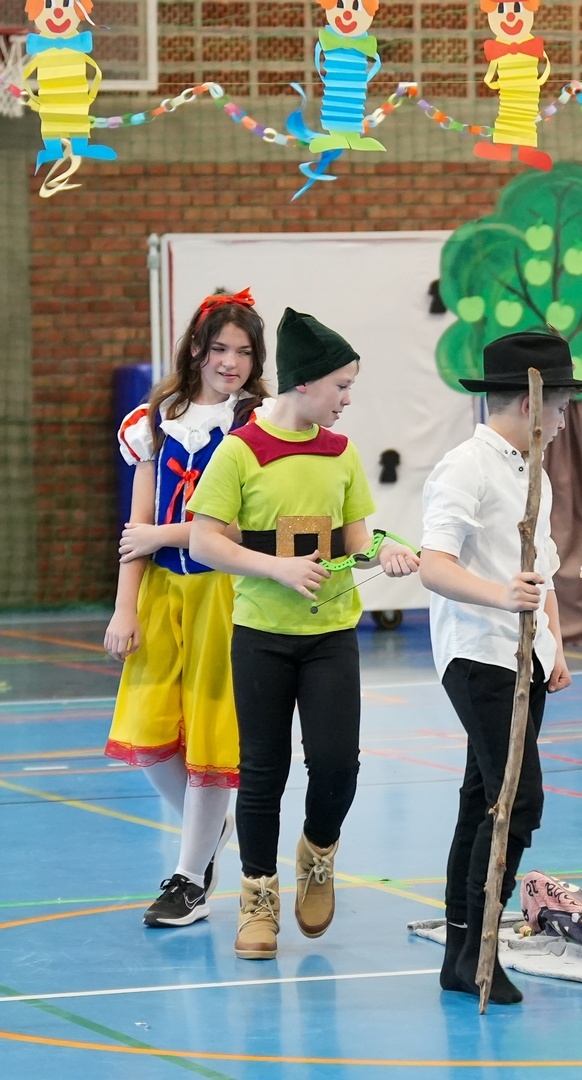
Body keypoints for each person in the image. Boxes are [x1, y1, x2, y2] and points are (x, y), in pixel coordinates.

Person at [188, 308, 419, 961]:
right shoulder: (241, 452)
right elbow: (205, 542)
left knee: (338, 765)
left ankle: (318, 851)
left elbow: (355, 540)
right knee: (263, 771)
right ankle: (258, 897)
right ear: (305, 382)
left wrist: (385, 549)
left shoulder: (341, 454)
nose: (347, 400)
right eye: (341, 386)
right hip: (261, 635)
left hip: (331, 637)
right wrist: (277, 568)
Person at [419, 331, 582, 1005]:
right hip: (479, 654)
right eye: (562, 406)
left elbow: (540, 570)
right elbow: (434, 566)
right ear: (530, 403)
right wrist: (501, 597)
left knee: (481, 798)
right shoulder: (465, 467)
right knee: (518, 799)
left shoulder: (531, 470)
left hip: (524, 656)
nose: (566, 419)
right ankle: (481, 946)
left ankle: (463, 952)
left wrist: (556, 645)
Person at [103, 289, 269, 929]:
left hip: (224, 592)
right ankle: (210, 828)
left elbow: (243, 528)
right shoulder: (153, 421)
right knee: (147, 735)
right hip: (160, 592)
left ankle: (189, 875)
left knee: (210, 733)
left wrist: (164, 535)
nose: (231, 362)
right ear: (196, 348)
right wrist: (125, 607)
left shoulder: (256, 424)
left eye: (244, 352)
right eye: (220, 347)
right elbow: (136, 528)